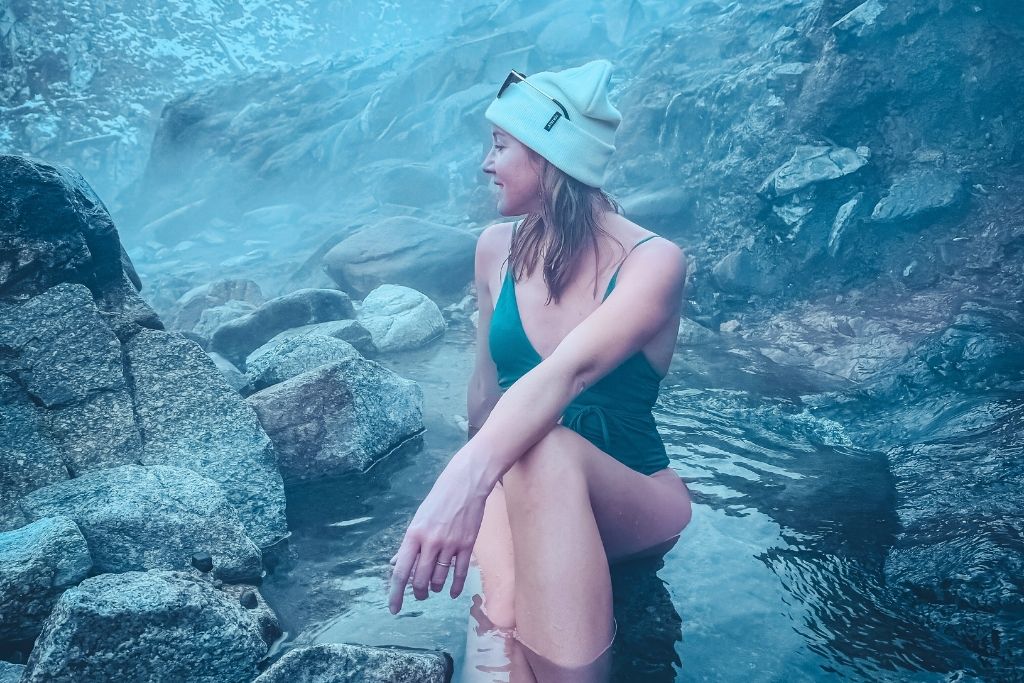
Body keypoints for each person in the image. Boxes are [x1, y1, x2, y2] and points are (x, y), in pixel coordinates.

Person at [388, 60, 693, 679]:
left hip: (630, 496)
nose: (486, 163)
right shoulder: (494, 248)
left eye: (500, 146)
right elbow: (484, 390)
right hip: (519, 481)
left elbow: (566, 377)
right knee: (496, 619)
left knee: (541, 442)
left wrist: (462, 483)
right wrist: (472, 507)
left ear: (552, 157)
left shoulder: (653, 261)